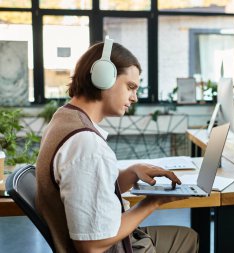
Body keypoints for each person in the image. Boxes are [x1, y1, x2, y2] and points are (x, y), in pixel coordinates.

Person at [35, 38, 199, 252]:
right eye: (130, 87)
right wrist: (153, 202)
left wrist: (131, 172)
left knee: (187, 236)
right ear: (103, 78)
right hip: (111, 246)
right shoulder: (86, 144)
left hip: (112, 239)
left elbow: (86, 193)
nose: (135, 97)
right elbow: (91, 244)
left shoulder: (64, 119)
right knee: (186, 240)